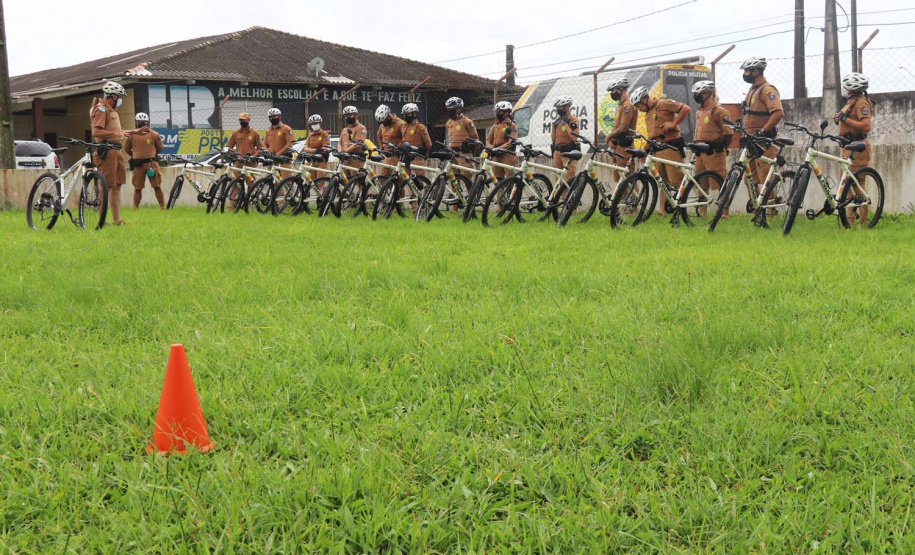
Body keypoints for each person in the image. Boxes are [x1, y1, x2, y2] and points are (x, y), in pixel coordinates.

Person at [630, 86, 691, 215]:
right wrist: (646, 148)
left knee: (677, 180)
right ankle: (662, 210)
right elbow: (653, 133)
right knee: (662, 182)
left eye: (639, 105)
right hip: (657, 148)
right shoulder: (648, 114)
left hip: (670, 146)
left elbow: (685, 108)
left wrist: (673, 123)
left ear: (645, 100)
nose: (639, 109)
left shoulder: (663, 103)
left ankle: (682, 210)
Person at [835, 72, 874, 225]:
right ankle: (849, 221)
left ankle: (863, 221)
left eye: (846, 86)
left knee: (856, 184)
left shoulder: (861, 103)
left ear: (853, 88)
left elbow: (866, 125)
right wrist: (839, 119)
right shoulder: (852, 101)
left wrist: (846, 119)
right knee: (848, 185)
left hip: (857, 147)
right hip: (847, 146)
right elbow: (847, 119)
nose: (843, 89)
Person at [741, 57, 784, 192]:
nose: (745, 74)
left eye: (747, 71)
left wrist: (763, 131)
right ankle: (757, 210)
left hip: (764, 142)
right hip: (751, 141)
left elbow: (778, 113)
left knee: (766, 180)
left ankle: (770, 211)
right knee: (749, 179)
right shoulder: (752, 90)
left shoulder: (767, 90)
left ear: (756, 72)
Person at [90, 81, 130, 225]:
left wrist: (122, 134)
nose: (120, 100)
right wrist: (116, 134)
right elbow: (97, 131)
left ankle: (117, 220)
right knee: (106, 186)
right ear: (113, 96)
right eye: (119, 97)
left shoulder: (111, 110)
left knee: (117, 185)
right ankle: (102, 220)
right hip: (106, 151)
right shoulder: (102, 110)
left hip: (116, 150)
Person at [692, 81, 733, 212]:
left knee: (718, 182)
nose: (697, 96)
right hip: (700, 152)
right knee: (701, 184)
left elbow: (729, 133)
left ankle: (724, 212)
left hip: (714, 152)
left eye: (699, 94)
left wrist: (722, 147)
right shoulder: (700, 110)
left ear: (708, 94)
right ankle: (701, 212)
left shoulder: (719, 111)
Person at [124, 112, 164, 209]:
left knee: (157, 186)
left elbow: (160, 147)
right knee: (138, 188)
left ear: (147, 122)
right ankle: (135, 208)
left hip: (151, 164)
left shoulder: (154, 134)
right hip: (138, 165)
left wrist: (152, 155)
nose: (142, 124)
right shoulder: (131, 135)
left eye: (144, 122)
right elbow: (127, 149)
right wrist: (136, 156)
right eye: (140, 122)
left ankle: (162, 207)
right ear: (136, 123)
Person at [605, 77, 638, 164]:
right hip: (617, 146)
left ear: (621, 89)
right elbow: (617, 126)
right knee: (617, 176)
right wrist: (612, 139)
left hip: (624, 147)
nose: (612, 93)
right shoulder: (621, 105)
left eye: (613, 90)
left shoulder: (627, 105)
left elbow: (623, 127)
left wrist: (608, 137)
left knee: (626, 175)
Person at [550, 96, 580, 186]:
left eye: (560, 107)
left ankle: (570, 199)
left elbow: (574, 138)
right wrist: (554, 126)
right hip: (557, 152)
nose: (558, 109)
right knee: (558, 181)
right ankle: (562, 199)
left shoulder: (573, 120)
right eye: (557, 108)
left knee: (568, 180)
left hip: (568, 152)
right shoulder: (557, 121)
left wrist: (566, 124)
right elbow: (553, 140)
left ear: (567, 107)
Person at [486, 101, 518, 181]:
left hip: (507, 155)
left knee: (510, 179)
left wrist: (499, 148)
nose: (497, 114)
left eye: (499, 112)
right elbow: (487, 140)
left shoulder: (512, 125)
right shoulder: (495, 125)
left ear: (506, 113)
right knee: (497, 180)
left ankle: (512, 193)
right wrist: (491, 147)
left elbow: (511, 142)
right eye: (497, 112)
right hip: (496, 155)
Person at [444, 97, 479, 171]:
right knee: (453, 179)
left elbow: (475, 139)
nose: (449, 111)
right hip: (452, 154)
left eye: (451, 109)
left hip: (464, 153)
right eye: (448, 109)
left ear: (459, 109)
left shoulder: (467, 122)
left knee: (467, 177)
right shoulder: (448, 123)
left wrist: (471, 153)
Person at [375, 104, 407, 177]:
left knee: (397, 180)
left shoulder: (401, 124)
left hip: (397, 156)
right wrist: (381, 147)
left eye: (384, 121)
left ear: (389, 116)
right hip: (387, 156)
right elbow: (379, 136)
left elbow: (405, 138)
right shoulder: (383, 124)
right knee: (382, 178)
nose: (383, 123)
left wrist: (398, 147)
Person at [338, 105, 367, 175]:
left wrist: (345, 152)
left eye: (350, 115)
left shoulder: (361, 128)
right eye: (346, 115)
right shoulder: (344, 130)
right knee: (344, 182)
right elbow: (339, 143)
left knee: (357, 181)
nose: (348, 117)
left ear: (355, 115)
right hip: (344, 159)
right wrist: (341, 153)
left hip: (355, 159)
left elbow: (358, 145)